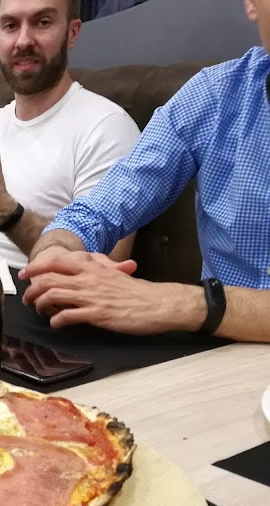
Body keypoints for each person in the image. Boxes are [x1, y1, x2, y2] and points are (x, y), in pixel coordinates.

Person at [23, 0, 270, 343]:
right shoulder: (214, 95)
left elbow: (182, 306)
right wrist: (57, 255)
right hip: (221, 357)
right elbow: (98, 209)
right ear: (252, 4)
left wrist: (183, 304)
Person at [0, 0, 140, 269]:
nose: (23, 41)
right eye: (10, 25)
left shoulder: (107, 128)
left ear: (72, 33)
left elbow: (106, 268)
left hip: (35, 292)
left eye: (42, 22)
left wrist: (4, 209)